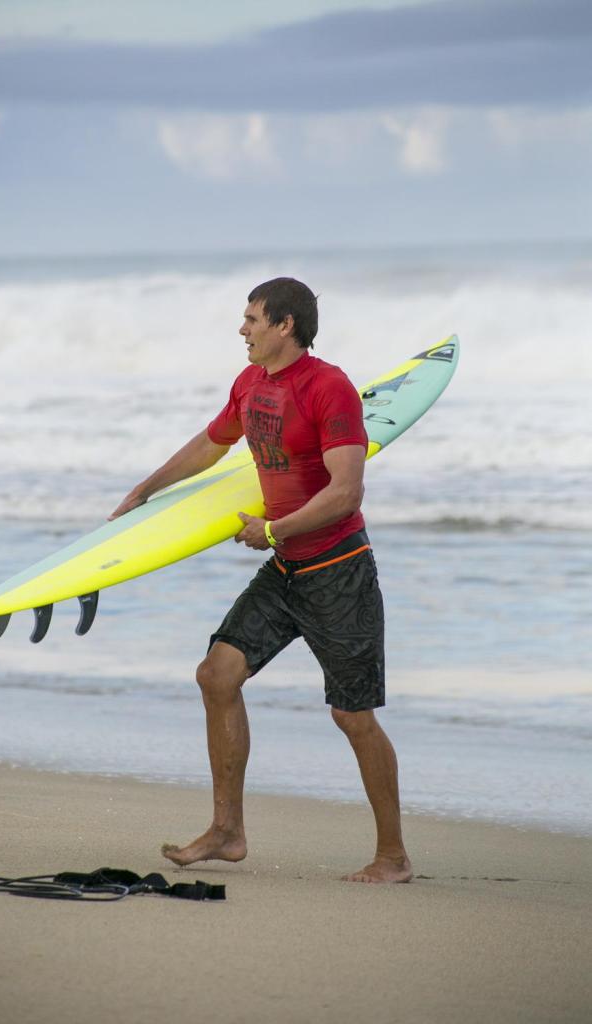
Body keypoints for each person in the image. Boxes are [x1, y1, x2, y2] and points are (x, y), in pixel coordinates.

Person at [109, 278, 412, 883]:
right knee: (217, 674)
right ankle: (227, 832)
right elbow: (211, 444)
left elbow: (346, 492)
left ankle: (393, 856)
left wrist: (273, 530)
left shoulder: (329, 388)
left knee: (352, 716)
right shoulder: (250, 383)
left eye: (252, 319)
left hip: (339, 571)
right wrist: (147, 487)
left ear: (285, 325)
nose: (242, 329)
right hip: (286, 569)